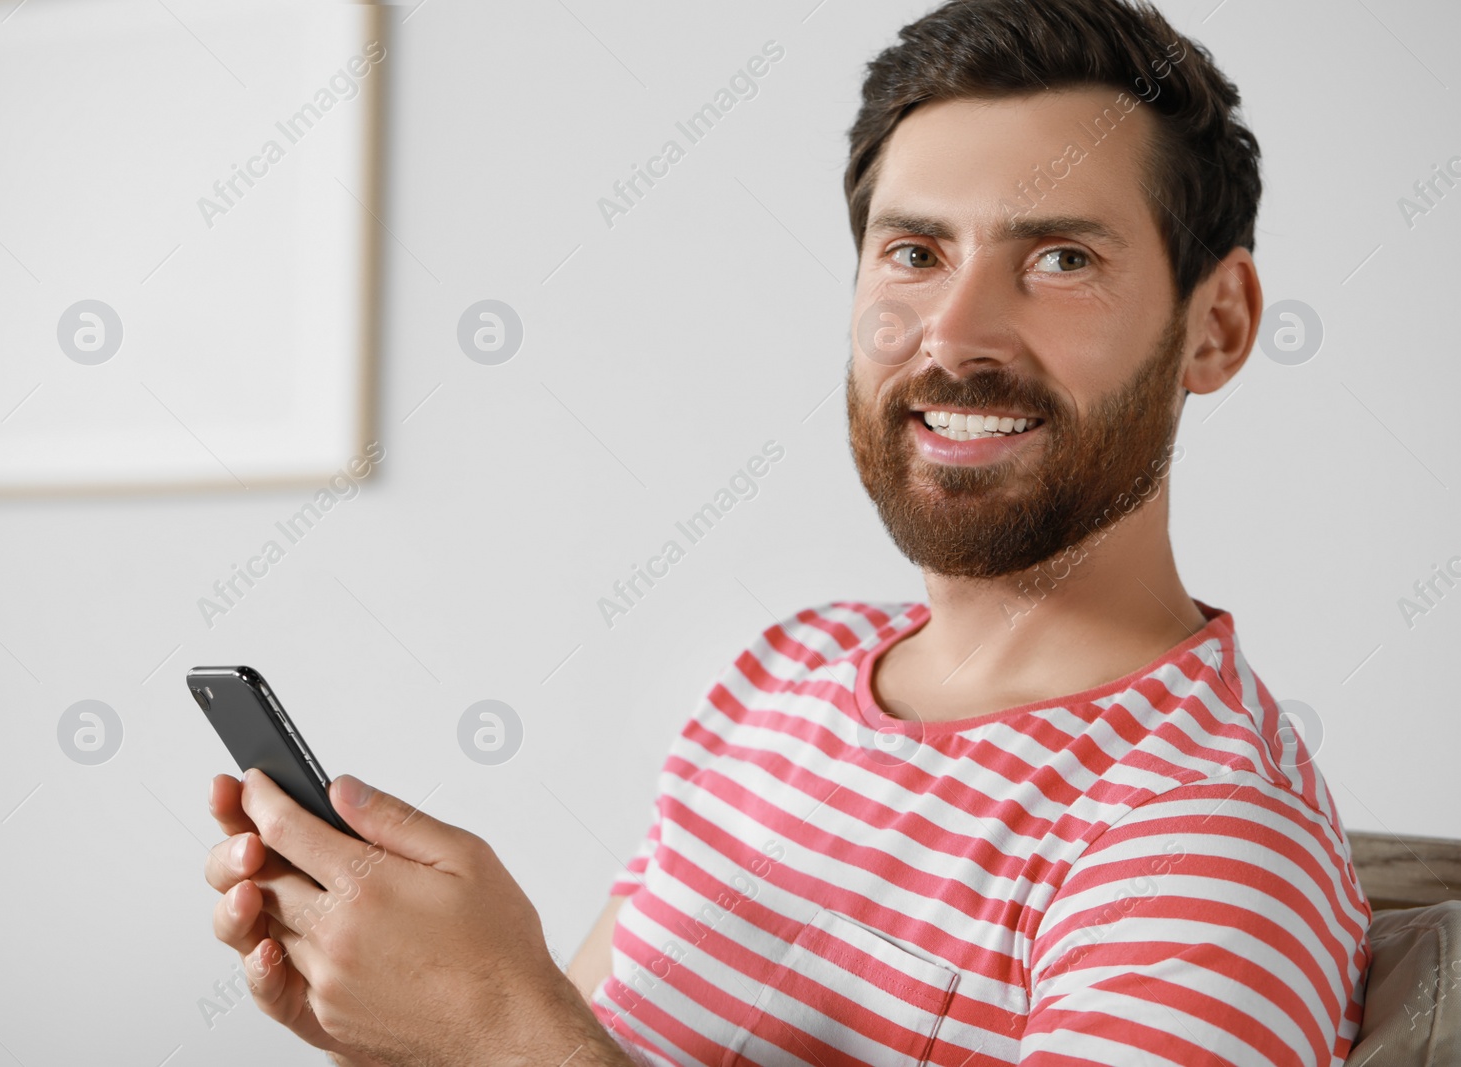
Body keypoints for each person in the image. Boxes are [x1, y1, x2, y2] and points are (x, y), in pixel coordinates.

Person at [201, 0, 1371, 1063]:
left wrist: (498, 1027)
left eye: (1059, 258)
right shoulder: (779, 675)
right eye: (915, 252)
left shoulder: (1209, 845)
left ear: (1215, 326)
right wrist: (414, 1019)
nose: (952, 334)